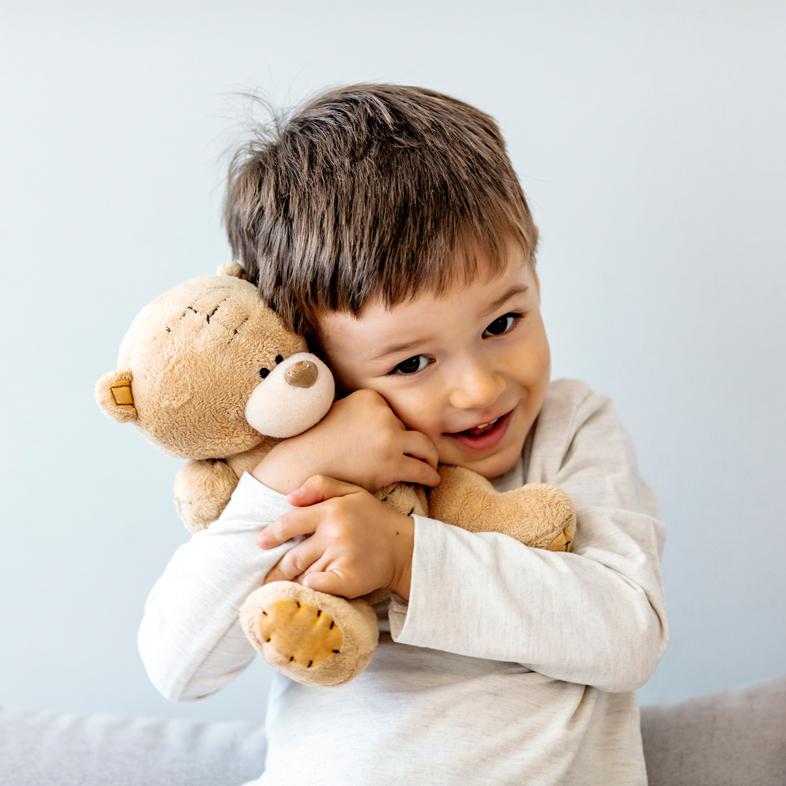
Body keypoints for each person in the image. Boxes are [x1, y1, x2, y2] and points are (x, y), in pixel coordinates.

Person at [138, 83, 669, 785]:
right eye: (412, 364)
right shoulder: (304, 473)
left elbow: (627, 633)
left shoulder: (571, 428)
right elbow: (178, 667)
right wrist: (281, 480)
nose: (478, 389)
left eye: (502, 323)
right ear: (318, 363)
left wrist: (403, 556)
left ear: (534, 277)